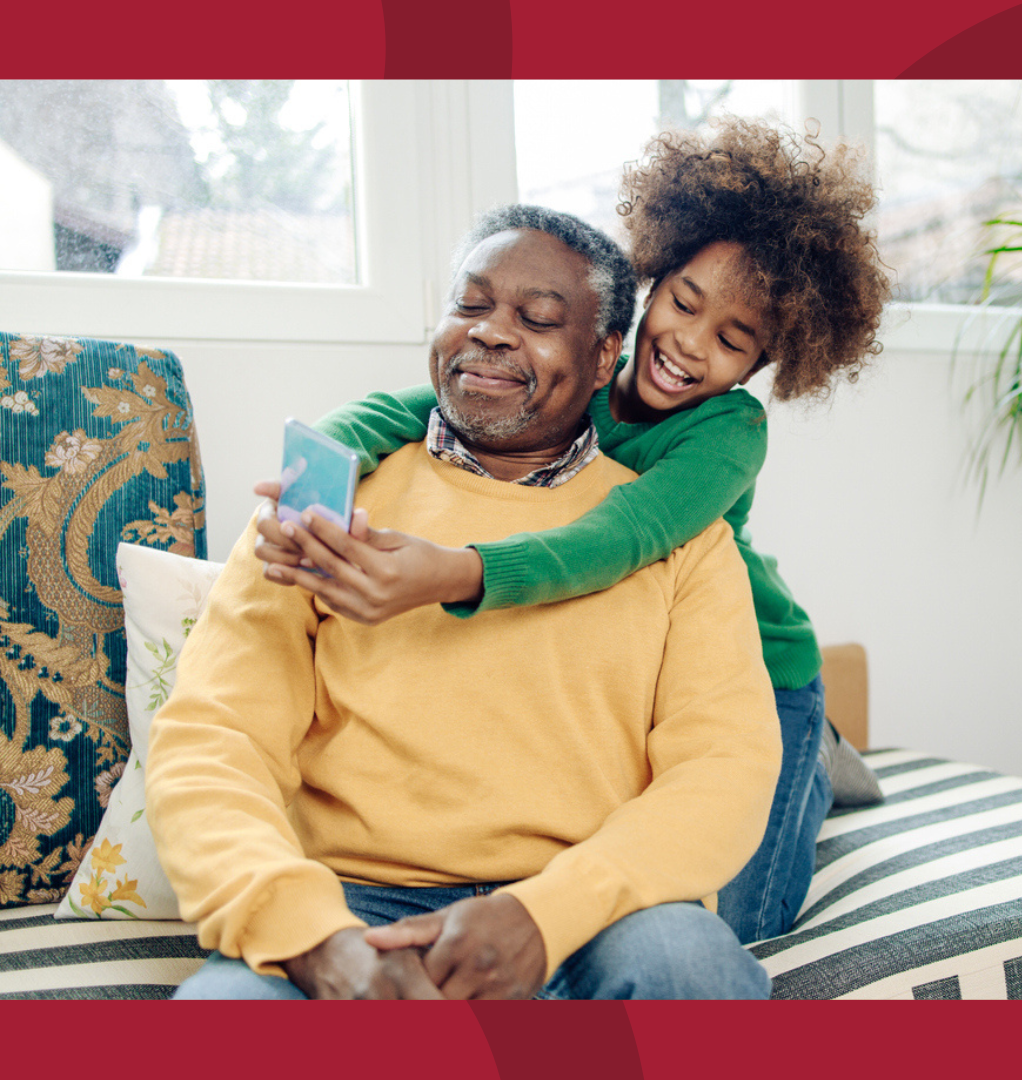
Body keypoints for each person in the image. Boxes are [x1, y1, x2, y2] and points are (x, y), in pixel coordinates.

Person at [254, 117, 892, 945]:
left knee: (738, 923)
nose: (689, 345)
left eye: (732, 340)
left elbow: (622, 535)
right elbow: (405, 408)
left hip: (764, 675)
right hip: (659, 663)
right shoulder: (579, 374)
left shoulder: (728, 433)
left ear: (763, 367)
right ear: (650, 282)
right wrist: (310, 477)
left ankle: (814, 758)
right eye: (684, 304)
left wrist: (455, 573)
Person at [145, 206, 783, 1000]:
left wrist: (541, 916)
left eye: (539, 318)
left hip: (586, 912)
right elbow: (215, 739)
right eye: (470, 306)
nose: (491, 333)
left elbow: (723, 771)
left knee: (691, 967)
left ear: (603, 357)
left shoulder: (678, 536)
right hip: (352, 908)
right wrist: (318, 942)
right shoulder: (323, 505)